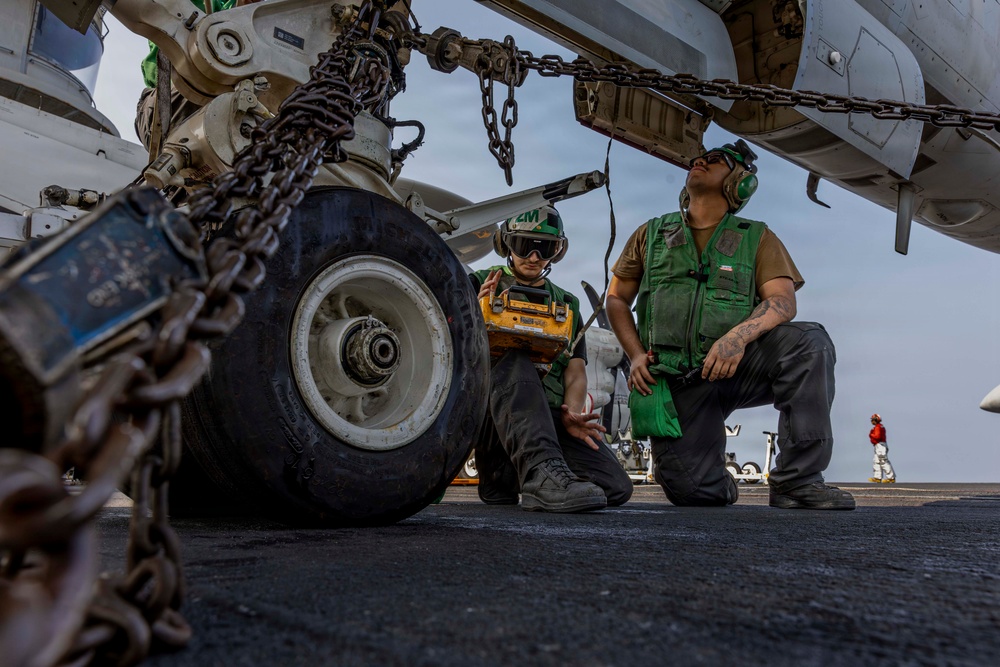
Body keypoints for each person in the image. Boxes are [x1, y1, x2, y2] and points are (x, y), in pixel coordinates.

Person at [606, 139, 855, 511]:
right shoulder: (651, 234)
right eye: (699, 158)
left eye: (715, 159)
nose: (701, 162)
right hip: (676, 380)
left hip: (737, 366)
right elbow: (616, 299)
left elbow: (783, 301)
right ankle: (713, 476)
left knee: (809, 343)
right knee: (694, 493)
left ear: (740, 182)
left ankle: (797, 481)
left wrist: (737, 338)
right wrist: (636, 355)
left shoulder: (757, 238)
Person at [471, 207, 633, 512]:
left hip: (548, 415)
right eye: (524, 246)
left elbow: (575, 371)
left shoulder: (567, 305)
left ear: (557, 251)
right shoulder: (477, 283)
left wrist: (572, 413)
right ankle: (533, 476)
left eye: (544, 248)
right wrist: (471, 311)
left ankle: (538, 475)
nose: (534, 257)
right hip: (494, 414)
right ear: (506, 243)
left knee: (615, 487)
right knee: (515, 360)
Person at [868, 413, 896, 483]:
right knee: (876, 461)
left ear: (876, 420)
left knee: (883, 461)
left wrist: (871, 434)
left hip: (880, 446)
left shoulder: (878, 427)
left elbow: (877, 436)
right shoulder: (880, 427)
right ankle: (877, 477)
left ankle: (891, 478)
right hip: (879, 445)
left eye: (873, 420)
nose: (872, 421)